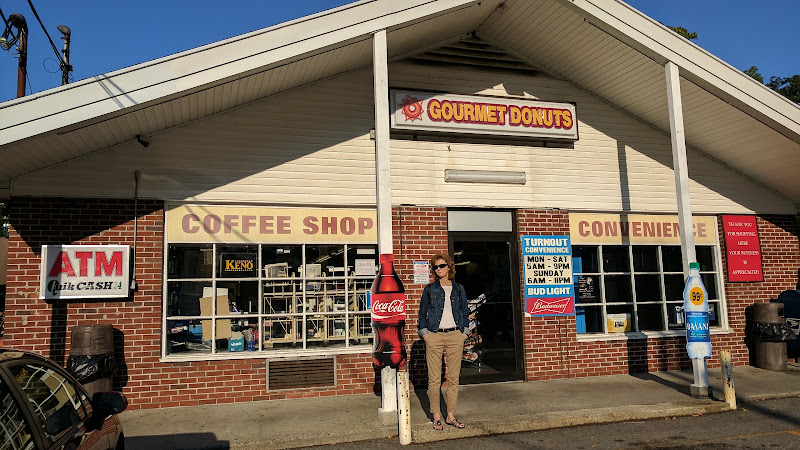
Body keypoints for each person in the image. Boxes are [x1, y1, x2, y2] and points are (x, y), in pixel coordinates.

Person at [418, 253, 470, 430]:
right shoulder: (430, 289)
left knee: (453, 378)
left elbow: (464, 311)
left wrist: (465, 332)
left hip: (455, 335)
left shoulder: (458, 289)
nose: (438, 269)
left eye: (441, 266)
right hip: (435, 335)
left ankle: (450, 415)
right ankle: (436, 416)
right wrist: (425, 335)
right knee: (434, 379)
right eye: (435, 267)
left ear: (449, 267)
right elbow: (422, 314)